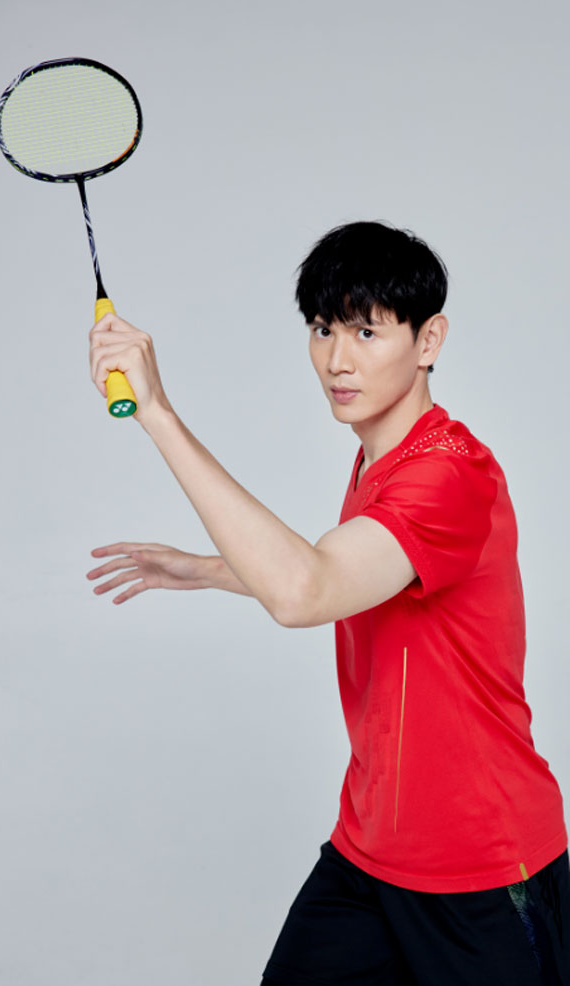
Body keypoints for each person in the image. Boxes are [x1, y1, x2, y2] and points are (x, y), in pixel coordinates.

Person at [86, 220, 570, 985]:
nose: (338, 360)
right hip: (368, 850)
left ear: (429, 339)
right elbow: (345, 574)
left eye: (367, 332)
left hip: (481, 868)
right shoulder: (381, 461)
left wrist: (158, 414)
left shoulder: (450, 473)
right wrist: (205, 569)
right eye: (323, 329)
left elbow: (305, 589)